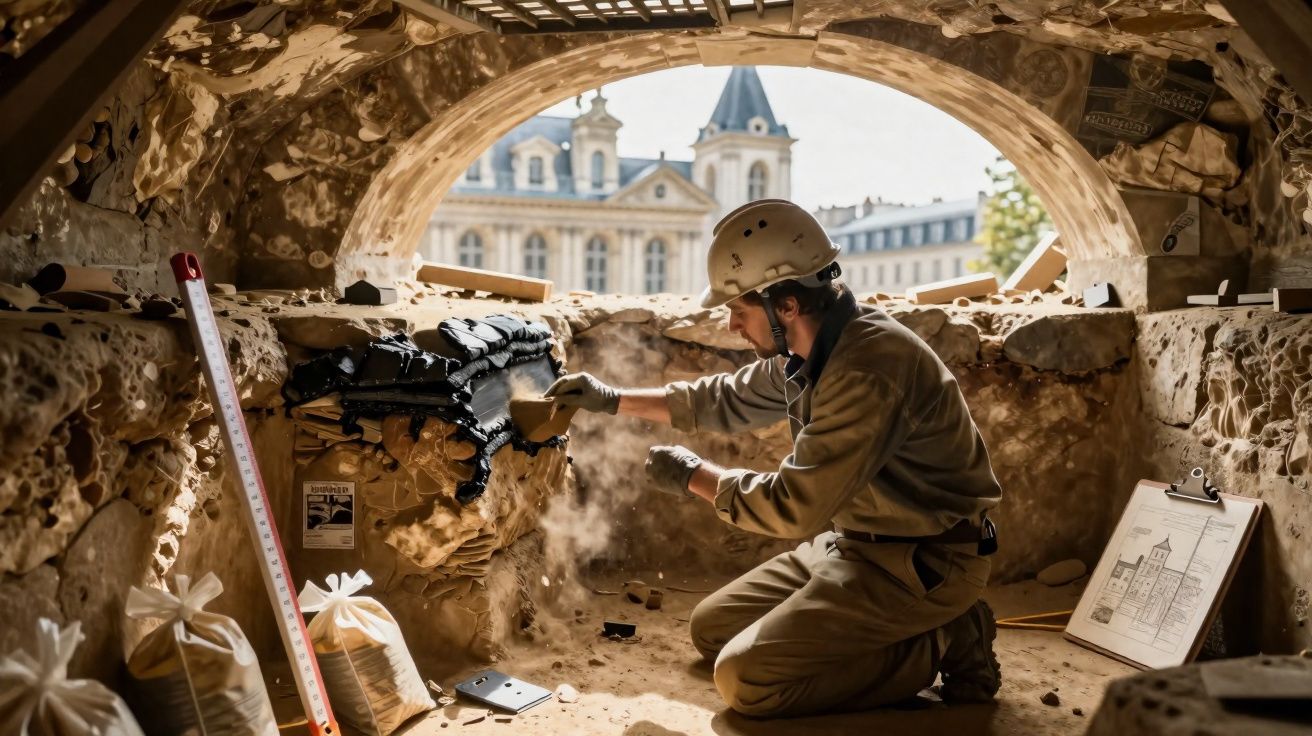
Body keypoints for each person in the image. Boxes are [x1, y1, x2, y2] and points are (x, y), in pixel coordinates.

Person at [545, 199, 1003, 718]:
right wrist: (611, 398)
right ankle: (897, 632)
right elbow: (721, 399)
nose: (734, 326)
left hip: (923, 563)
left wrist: (695, 475)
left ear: (785, 306)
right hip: (852, 548)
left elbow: (795, 507)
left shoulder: (868, 367)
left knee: (746, 682)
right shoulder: (812, 350)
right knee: (713, 629)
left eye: (739, 311)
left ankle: (944, 638)